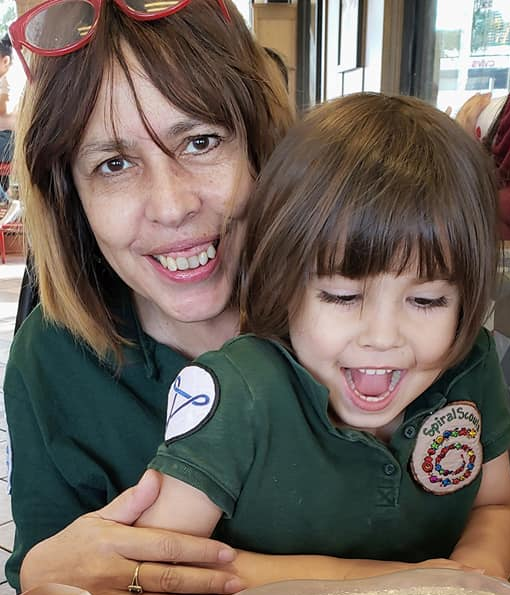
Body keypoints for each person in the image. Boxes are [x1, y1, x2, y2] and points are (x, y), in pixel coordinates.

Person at [136, 93, 510, 586]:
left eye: (427, 301)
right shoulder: (239, 392)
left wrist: (476, 569)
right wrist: (391, 581)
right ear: (284, 285)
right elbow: (164, 565)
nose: (382, 337)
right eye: (341, 295)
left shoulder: (470, 365)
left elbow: (496, 502)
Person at [4, 0, 296, 593]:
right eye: (113, 163)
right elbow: (54, 564)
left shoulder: (379, 306)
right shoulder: (52, 358)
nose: (172, 206)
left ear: (262, 147)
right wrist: (39, 570)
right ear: (71, 201)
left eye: (201, 141)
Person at [0, 33, 23, 202]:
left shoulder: (8, 79)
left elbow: (2, 108)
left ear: (5, 61)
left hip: (9, 140)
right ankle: (5, 194)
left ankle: (4, 201)